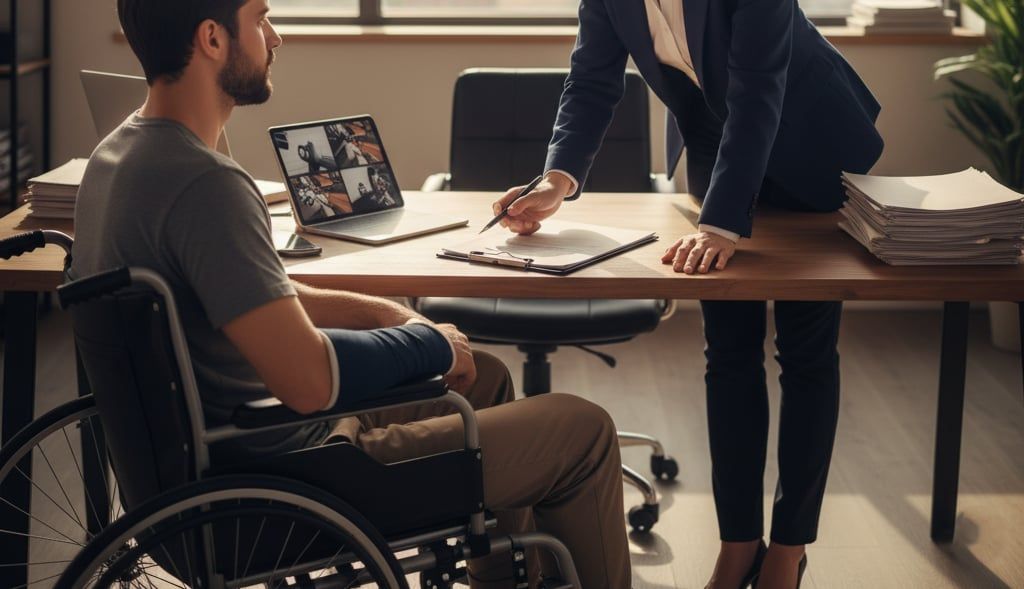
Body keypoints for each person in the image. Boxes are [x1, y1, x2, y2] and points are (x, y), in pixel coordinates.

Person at [70, 1, 632, 587]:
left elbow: (270, 295)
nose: (276, 37)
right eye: (260, 19)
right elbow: (308, 380)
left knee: (484, 376)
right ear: (212, 39)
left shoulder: (116, 159)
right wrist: (427, 348)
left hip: (211, 471)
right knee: (583, 429)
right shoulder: (206, 185)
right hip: (288, 481)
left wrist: (397, 319)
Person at [493, 1, 884, 588]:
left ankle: (788, 550)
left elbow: (757, 90)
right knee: (728, 355)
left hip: (808, 140)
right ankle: (739, 544)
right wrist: (556, 181)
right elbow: (592, 78)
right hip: (715, 142)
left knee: (805, 355)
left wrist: (721, 225)